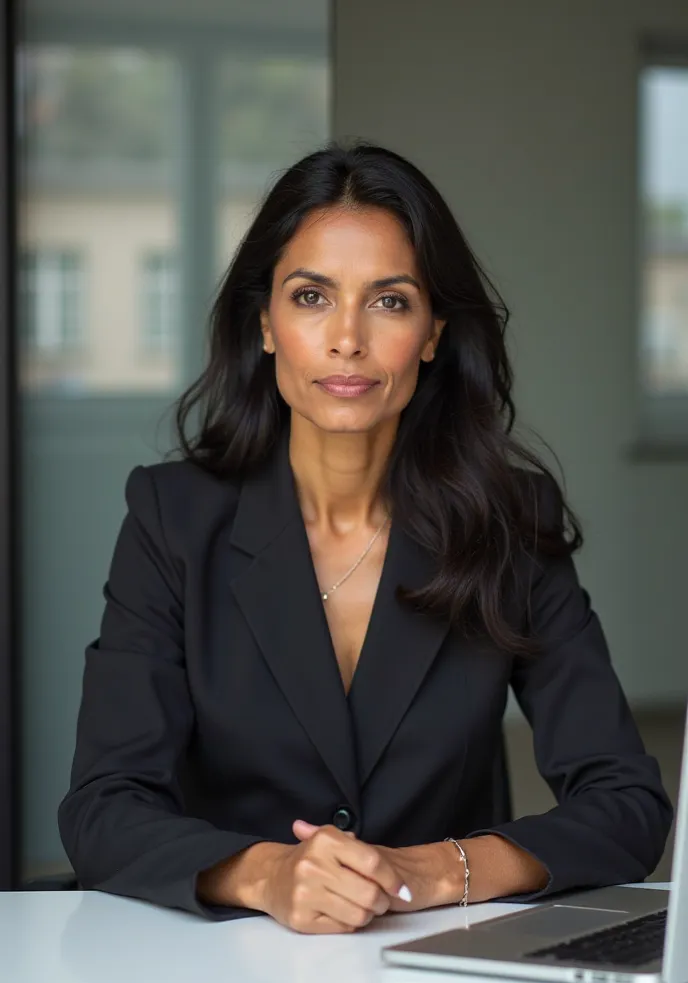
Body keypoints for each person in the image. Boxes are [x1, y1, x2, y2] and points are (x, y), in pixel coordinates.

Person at [58, 143, 672, 934]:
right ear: (267, 324)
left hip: (434, 968)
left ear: (431, 334)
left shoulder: (511, 521)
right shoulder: (173, 517)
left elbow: (626, 805)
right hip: (219, 972)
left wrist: (433, 870)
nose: (347, 338)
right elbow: (103, 807)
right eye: (312, 296)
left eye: (388, 302)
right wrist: (267, 874)